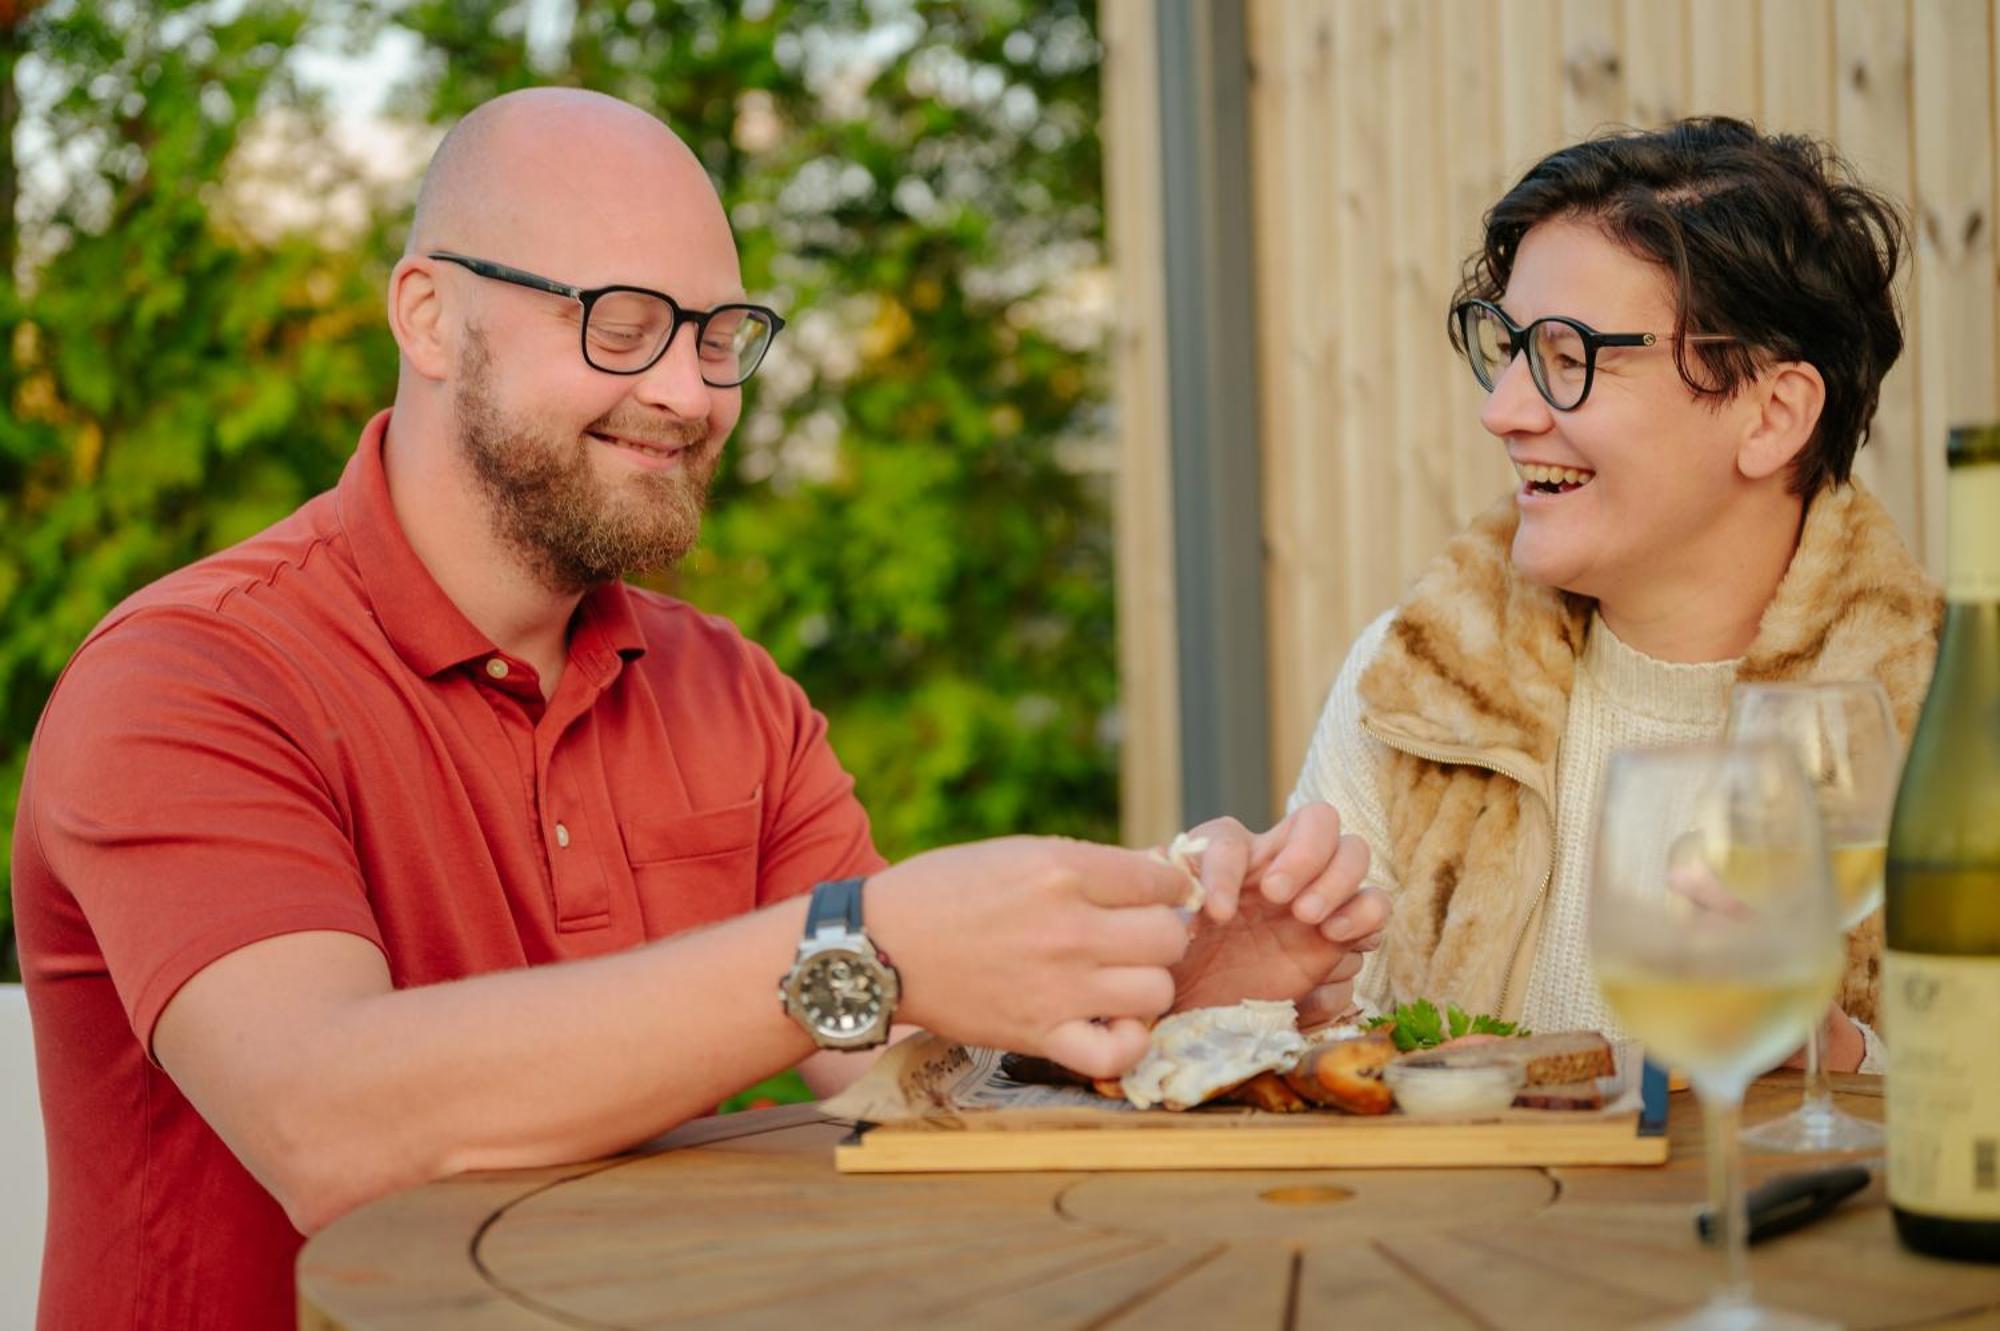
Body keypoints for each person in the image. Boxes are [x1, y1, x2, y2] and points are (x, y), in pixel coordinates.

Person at [13, 88, 1387, 1330]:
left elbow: (887, 1053)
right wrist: (858, 943)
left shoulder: (731, 689)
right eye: (619, 320)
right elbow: (331, 1122)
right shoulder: (192, 676)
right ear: (430, 315)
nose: (686, 390)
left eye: (720, 335)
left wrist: (1181, 993)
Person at [1291, 116, 1938, 1068]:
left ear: (1772, 413)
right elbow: (1344, 1067)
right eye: (1508, 348)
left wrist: (1836, 1058)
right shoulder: (1414, 686)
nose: (1502, 410)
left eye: (1568, 357)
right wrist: (1267, 1009)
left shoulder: (1955, 725)